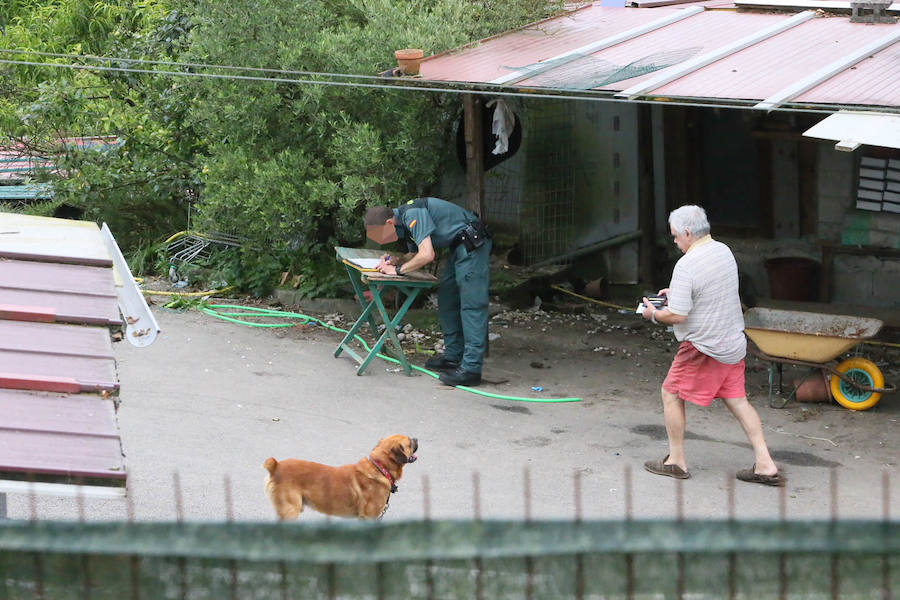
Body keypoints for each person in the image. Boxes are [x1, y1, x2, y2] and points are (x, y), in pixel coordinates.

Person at [640, 205, 784, 486]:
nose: (674, 241)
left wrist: (653, 314)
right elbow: (711, 290)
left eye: (675, 236)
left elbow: (678, 315)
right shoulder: (723, 251)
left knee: (670, 393)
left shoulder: (687, 264)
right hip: (732, 343)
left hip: (704, 347)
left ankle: (676, 461)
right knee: (739, 401)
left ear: (688, 232)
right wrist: (678, 293)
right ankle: (765, 463)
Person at [364, 197, 492, 387]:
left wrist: (397, 271)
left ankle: (471, 369)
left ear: (389, 223)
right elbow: (415, 254)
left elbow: (427, 255)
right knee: (447, 300)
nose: (378, 241)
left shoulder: (412, 215)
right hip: (459, 247)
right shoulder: (404, 223)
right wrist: (396, 260)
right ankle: (452, 357)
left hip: (472, 244)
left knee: (472, 305)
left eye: (378, 235)